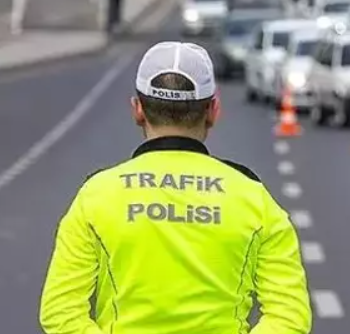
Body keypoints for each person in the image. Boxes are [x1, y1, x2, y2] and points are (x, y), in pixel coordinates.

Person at [39, 41, 312, 334]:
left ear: (138, 110)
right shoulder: (254, 198)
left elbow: (60, 313)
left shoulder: (96, 196)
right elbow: (289, 317)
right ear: (213, 111)